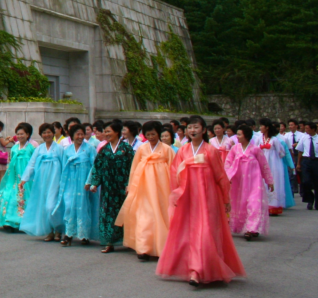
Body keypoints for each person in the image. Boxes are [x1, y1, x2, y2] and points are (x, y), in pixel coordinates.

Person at [157, 115, 245, 286]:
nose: (192, 130)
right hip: (188, 197)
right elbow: (175, 172)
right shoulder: (183, 150)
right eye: (190, 127)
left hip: (208, 197)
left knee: (206, 232)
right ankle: (193, 269)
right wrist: (176, 194)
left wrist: (226, 199)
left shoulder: (211, 150)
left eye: (196, 127)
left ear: (204, 130)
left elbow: (220, 176)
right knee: (189, 232)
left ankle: (200, 270)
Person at [115, 121, 174, 260]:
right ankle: (143, 248)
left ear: (158, 134)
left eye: (153, 134)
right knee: (144, 216)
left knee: (160, 214)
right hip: (143, 187)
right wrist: (130, 185)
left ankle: (161, 247)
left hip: (162, 188)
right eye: (148, 134)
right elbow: (134, 168)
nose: (151, 136)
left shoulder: (167, 149)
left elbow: (173, 169)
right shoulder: (142, 149)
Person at [86, 119, 135, 253]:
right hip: (108, 187)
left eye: (109, 131)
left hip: (123, 186)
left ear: (117, 132)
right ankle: (109, 242)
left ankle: (129, 240)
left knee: (125, 213)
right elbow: (97, 167)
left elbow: (133, 167)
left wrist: (130, 184)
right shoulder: (104, 149)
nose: (106, 134)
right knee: (107, 213)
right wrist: (95, 183)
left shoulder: (127, 149)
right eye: (105, 131)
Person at [225, 123, 274, 239]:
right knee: (239, 204)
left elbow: (264, 165)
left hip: (254, 182)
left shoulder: (255, 150)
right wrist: (228, 177)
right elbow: (227, 163)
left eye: (239, 134)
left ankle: (252, 229)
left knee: (254, 204)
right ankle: (241, 226)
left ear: (246, 135)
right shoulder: (234, 149)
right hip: (238, 183)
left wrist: (269, 181)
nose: (237, 137)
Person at [18, 123, 64, 240]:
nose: (47, 135)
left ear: (53, 133)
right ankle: (49, 231)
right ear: (41, 135)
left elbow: (64, 166)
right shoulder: (39, 149)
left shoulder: (59, 149)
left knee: (52, 206)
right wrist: (24, 179)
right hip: (41, 182)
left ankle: (58, 229)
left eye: (49, 132)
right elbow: (31, 165)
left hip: (55, 182)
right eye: (44, 133)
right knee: (43, 206)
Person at [55, 124, 99, 246]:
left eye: (82, 134)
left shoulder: (90, 148)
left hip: (84, 182)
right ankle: (68, 234)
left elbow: (95, 166)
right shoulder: (67, 150)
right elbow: (64, 167)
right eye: (77, 134)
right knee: (69, 206)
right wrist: (62, 183)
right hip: (70, 182)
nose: (80, 137)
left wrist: (89, 182)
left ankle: (84, 234)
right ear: (72, 136)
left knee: (83, 206)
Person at [0, 122, 36, 231]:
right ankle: (8, 221)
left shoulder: (31, 148)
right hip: (14, 178)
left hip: (26, 179)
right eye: (18, 134)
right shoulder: (14, 148)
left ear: (28, 135)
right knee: (9, 196)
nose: (19, 136)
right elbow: (11, 164)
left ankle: (22, 222)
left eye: (22, 134)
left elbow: (34, 165)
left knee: (23, 199)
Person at [256, 118, 292, 215]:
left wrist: (272, 155)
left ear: (267, 127)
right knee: (261, 182)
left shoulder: (275, 140)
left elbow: (281, 153)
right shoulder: (259, 138)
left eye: (261, 126)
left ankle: (273, 205)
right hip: (261, 163)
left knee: (273, 182)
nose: (260, 128)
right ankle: (262, 205)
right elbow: (255, 150)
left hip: (274, 165)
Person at [295, 122, 318, 210]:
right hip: (306, 160)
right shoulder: (304, 137)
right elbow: (300, 151)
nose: (306, 130)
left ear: (313, 129)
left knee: (316, 182)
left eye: (308, 128)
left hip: (316, 161)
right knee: (306, 181)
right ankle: (309, 200)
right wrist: (299, 163)